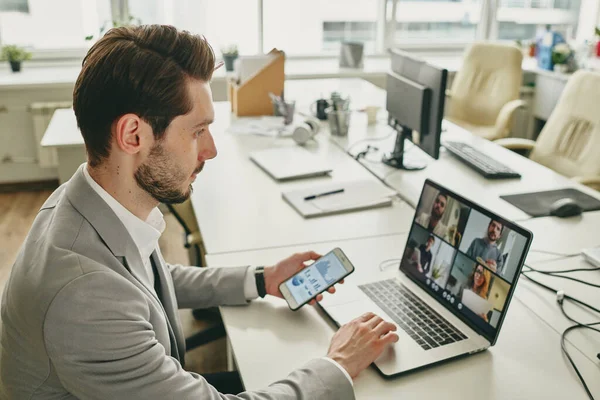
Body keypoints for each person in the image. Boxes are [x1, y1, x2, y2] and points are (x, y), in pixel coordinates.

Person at [0, 25, 399, 399]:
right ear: (133, 135)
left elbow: (150, 279)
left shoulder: (83, 201)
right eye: (196, 131)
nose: (210, 150)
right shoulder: (86, 300)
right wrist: (339, 363)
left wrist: (262, 280)